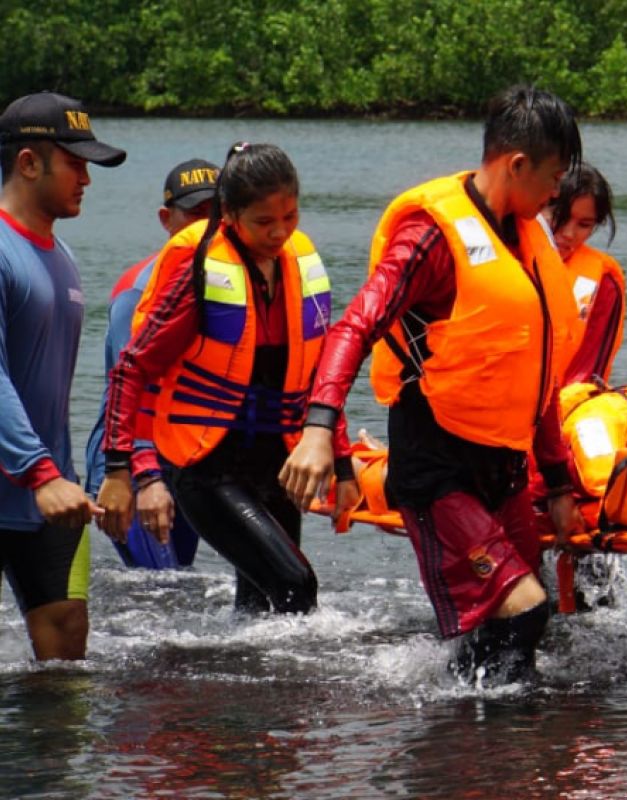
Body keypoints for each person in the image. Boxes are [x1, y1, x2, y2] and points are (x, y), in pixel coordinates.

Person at [279, 85, 585, 684]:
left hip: (502, 466)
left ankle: (479, 748)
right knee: (523, 613)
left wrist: (557, 481)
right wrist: (320, 430)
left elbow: (539, 377)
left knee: (531, 622)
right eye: (553, 178)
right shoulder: (429, 238)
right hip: (436, 464)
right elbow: (355, 325)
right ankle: (466, 753)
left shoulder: (529, 240)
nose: (558, 193)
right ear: (516, 165)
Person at [96, 142, 358, 614]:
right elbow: (131, 369)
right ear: (230, 214)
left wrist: (341, 466)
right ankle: (297, 689)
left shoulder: (300, 267)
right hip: (206, 466)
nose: (280, 232)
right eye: (264, 221)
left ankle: (245, 687)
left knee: (259, 603)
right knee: (296, 583)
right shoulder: (200, 273)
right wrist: (124, 470)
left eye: (291, 216)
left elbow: (319, 376)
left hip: (276, 464)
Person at [0, 91, 125, 660]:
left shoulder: (63, 255)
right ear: (28, 163)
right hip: (34, 475)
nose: (87, 180)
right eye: (75, 164)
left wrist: (102, 473)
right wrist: (37, 470)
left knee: (67, 646)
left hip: (51, 491)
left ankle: (49, 756)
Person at [83, 158, 218, 569]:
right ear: (166, 219)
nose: (207, 227)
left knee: (179, 588)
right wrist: (144, 478)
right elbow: (130, 386)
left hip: (183, 458)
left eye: (218, 214)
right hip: (128, 462)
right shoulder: (139, 290)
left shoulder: (225, 284)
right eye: (195, 214)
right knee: (159, 585)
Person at [543, 162, 624, 387]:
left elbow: (589, 372)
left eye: (584, 224)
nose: (569, 234)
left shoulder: (604, 285)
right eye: (559, 216)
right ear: (539, 205)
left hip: (566, 403)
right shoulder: (504, 258)